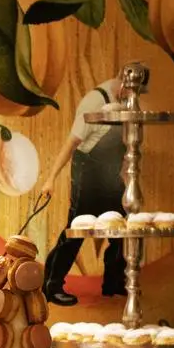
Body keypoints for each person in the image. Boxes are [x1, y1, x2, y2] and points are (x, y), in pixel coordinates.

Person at [41, 76, 128, 305]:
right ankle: (52, 286)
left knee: (120, 226)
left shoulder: (123, 103)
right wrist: (50, 179)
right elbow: (71, 144)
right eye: (131, 92)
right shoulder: (93, 102)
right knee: (78, 229)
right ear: (122, 83)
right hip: (87, 171)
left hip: (109, 175)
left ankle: (113, 282)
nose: (133, 98)